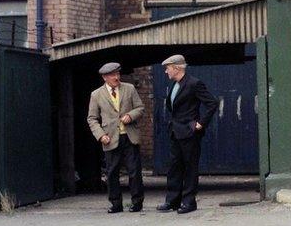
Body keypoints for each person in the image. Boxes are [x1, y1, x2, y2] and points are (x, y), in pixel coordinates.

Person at [157, 54, 218, 214]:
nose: (165, 72)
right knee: (174, 167)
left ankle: (189, 202)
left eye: (167, 68)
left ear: (176, 68)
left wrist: (200, 123)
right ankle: (172, 201)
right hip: (176, 132)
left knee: (190, 167)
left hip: (189, 132)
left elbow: (212, 103)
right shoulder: (174, 85)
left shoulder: (194, 83)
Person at [86, 62, 145, 213]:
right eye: (113, 75)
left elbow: (140, 108)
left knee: (134, 171)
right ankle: (115, 204)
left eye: (118, 74)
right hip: (110, 138)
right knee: (112, 172)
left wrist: (130, 116)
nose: (117, 77)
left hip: (129, 136)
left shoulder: (129, 89)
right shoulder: (96, 94)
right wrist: (100, 135)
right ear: (105, 77)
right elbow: (92, 118)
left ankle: (137, 202)